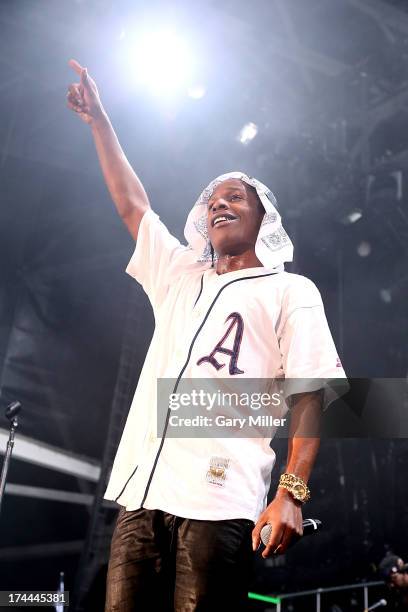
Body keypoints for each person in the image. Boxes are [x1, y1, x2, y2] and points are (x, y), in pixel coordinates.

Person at [67, 60, 348, 612]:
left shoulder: (290, 290)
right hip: (140, 496)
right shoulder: (178, 274)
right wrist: (100, 122)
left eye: (235, 197)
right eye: (213, 200)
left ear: (264, 220)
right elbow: (133, 206)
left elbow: (312, 395)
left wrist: (291, 494)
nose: (219, 203)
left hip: (219, 500)